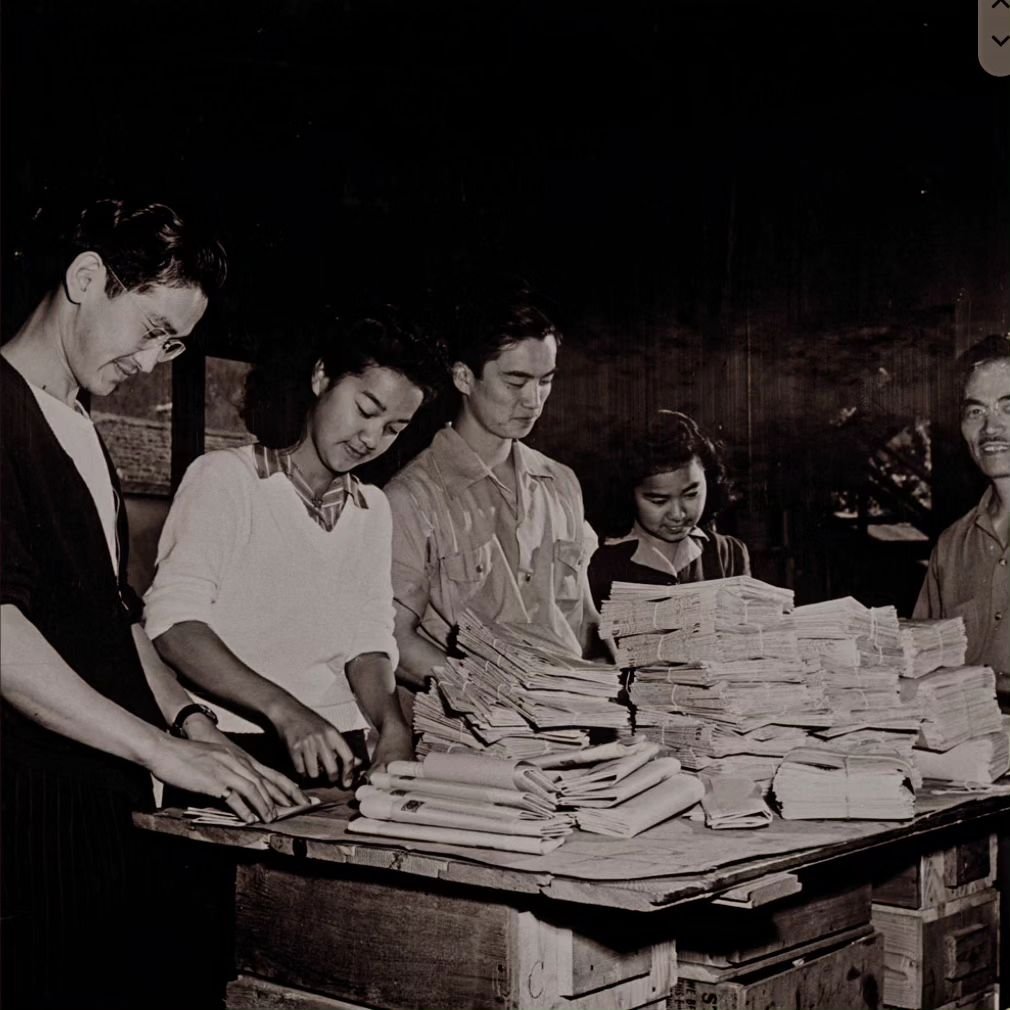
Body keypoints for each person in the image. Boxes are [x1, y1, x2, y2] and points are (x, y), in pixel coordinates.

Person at [0, 198, 305, 1010]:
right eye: (153, 331)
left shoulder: (77, 425)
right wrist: (161, 752)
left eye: (176, 347)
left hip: (97, 802)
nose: (157, 362)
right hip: (22, 810)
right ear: (88, 277)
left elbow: (114, 619)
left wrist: (190, 726)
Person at [145, 312, 447, 785]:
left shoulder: (372, 509)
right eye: (366, 410)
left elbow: (368, 643)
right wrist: (286, 710)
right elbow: (172, 626)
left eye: (393, 428)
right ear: (321, 376)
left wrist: (392, 729)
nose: (371, 439)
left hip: (337, 750)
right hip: (233, 746)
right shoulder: (227, 478)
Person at [385, 279, 600, 695]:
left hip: (573, 722)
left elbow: (583, 621)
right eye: (515, 382)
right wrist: (496, 691)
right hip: (472, 737)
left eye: (545, 381)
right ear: (465, 378)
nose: (533, 401)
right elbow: (394, 639)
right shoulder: (410, 499)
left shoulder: (561, 484)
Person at [913, 334, 1010, 706]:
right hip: (968, 744)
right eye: (975, 411)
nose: (990, 429)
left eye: (1008, 408)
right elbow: (922, 665)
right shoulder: (952, 545)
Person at [588, 410, 750, 608]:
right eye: (658, 501)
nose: (677, 514)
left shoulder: (730, 554)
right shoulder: (601, 564)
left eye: (691, 495)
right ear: (628, 495)